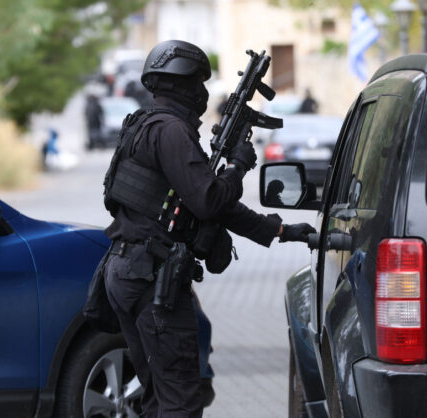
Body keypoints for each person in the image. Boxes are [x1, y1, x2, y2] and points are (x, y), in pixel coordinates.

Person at [102, 39, 315, 417]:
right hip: (151, 282)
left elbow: (206, 204)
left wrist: (279, 230)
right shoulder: (171, 132)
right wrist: (238, 167)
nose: (203, 93)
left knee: (156, 397)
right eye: (199, 83)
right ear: (183, 84)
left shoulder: (142, 124)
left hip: (127, 272)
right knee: (181, 400)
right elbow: (209, 199)